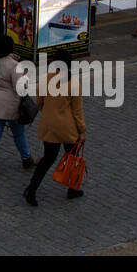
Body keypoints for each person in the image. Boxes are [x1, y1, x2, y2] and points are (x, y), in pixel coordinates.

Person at [23, 51, 86, 206]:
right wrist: (82, 131)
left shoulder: (45, 80)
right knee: (72, 157)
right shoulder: (73, 83)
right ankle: (72, 189)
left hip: (49, 125)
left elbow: (39, 102)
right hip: (68, 128)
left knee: (47, 159)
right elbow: (77, 112)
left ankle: (31, 189)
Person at [0, 34, 34, 175]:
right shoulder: (14, 66)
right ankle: (26, 158)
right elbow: (20, 88)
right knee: (19, 133)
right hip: (11, 105)